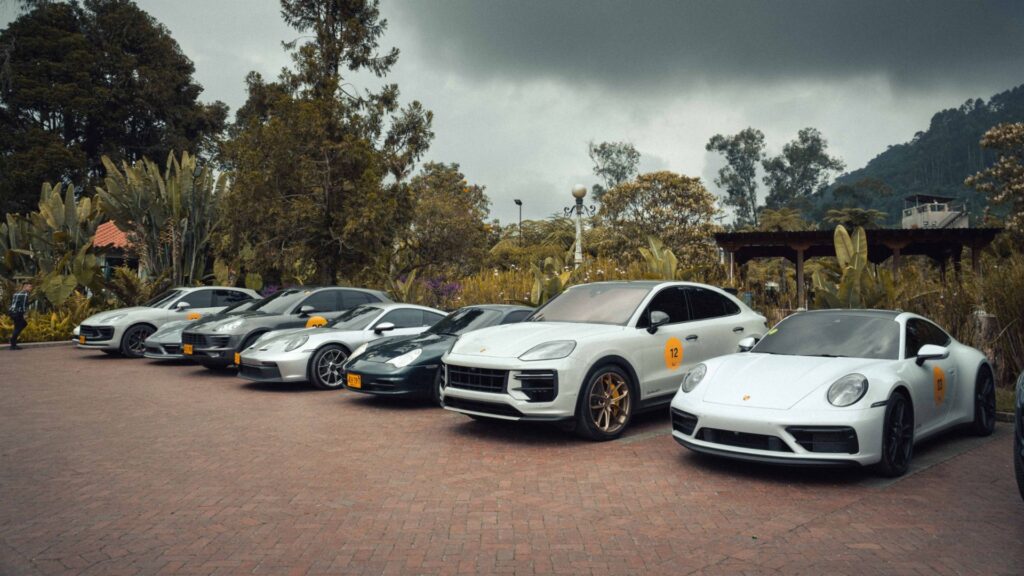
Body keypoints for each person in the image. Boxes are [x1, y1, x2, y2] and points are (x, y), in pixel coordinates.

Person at [8, 282, 31, 350]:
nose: (31, 288)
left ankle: (13, 343)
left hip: (12, 312)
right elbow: (24, 305)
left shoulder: (16, 293)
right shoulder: (25, 294)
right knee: (21, 325)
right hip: (18, 313)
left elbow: (13, 303)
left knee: (18, 326)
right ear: (25, 287)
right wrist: (25, 314)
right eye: (29, 287)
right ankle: (12, 341)